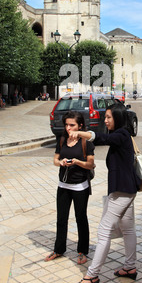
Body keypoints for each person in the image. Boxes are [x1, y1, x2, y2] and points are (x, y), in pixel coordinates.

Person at [71, 103, 141, 283]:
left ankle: (92, 276)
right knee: (127, 228)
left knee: (104, 232)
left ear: (117, 118)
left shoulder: (121, 135)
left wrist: (81, 134)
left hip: (121, 191)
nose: (105, 120)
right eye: (105, 117)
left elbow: (100, 138)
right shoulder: (123, 135)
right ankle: (130, 267)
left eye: (109, 117)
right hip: (127, 189)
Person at [45, 111, 95, 265]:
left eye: (72, 125)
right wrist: (60, 163)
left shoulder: (86, 142)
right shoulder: (62, 139)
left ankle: (82, 251)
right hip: (63, 185)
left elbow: (91, 164)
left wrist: (76, 162)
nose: (68, 128)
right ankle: (59, 249)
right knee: (61, 219)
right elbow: (55, 159)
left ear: (80, 126)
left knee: (81, 218)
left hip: (80, 186)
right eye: (66, 125)